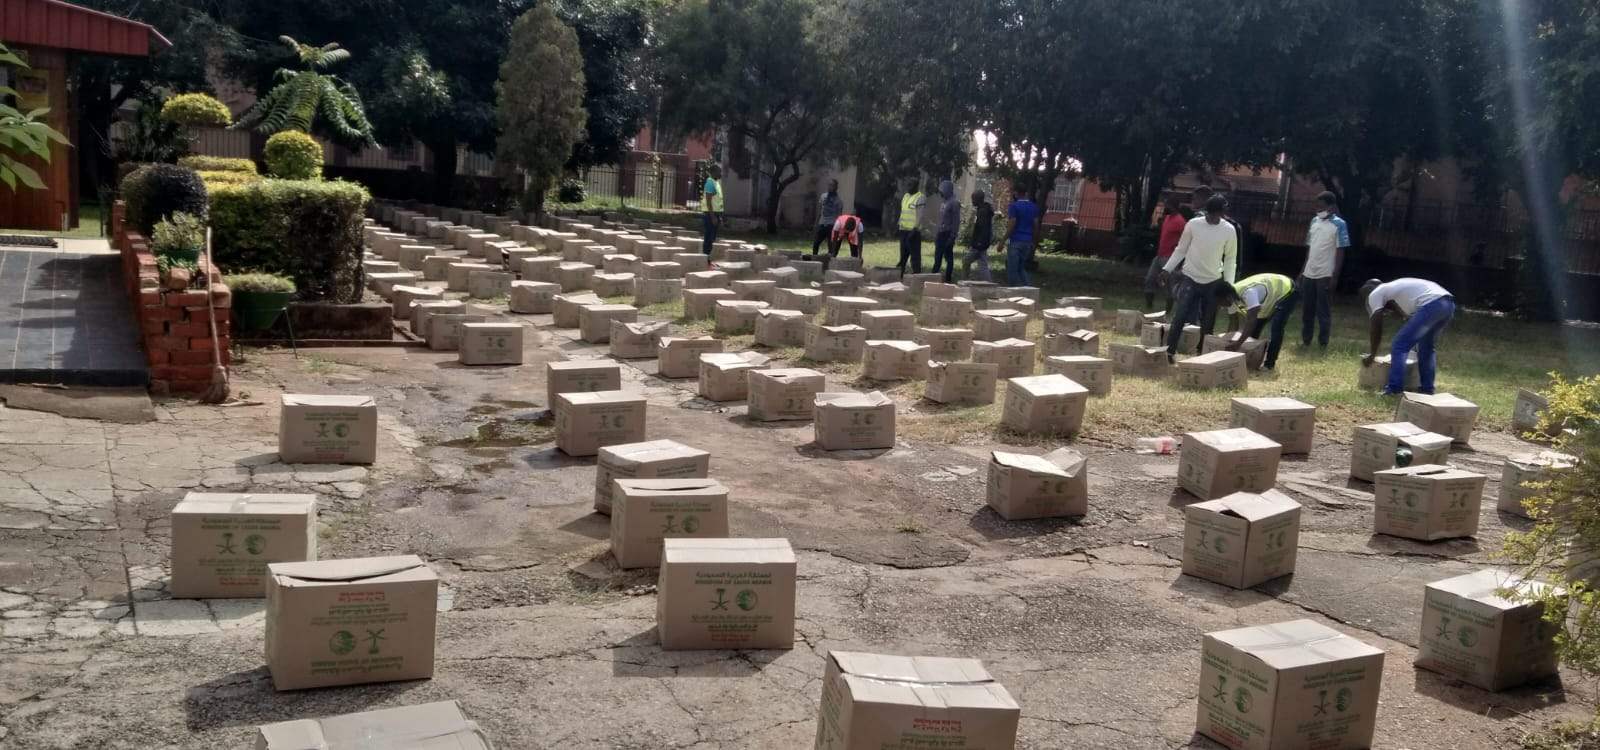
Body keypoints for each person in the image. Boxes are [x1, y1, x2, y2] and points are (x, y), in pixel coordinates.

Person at [1160, 194, 1238, 360]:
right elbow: (1181, 249)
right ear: (1207, 212)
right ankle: (1169, 352)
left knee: (1208, 322)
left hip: (1213, 281)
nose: (1215, 218)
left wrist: (1228, 285)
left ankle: (1202, 356)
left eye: (1219, 214)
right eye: (1212, 214)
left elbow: (1231, 259)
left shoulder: (1229, 230)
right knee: (1180, 316)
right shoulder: (1193, 224)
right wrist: (1167, 269)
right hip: (1190, 277)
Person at [1360, 277, 1455, 396]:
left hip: (1431, 304)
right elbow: (1406, 315)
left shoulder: (1375, 293)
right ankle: (1427, 389)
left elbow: (1376, 326)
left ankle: (1394, 390)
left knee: (1399, 345)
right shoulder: (1394, 288)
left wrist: (1373, 354)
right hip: (1447, 304)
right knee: (1426, 347)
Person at [1216, 272, 1298, 371]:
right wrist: (1228, 341)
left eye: (1220, 302)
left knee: (1276, 327)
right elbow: (1235, 322)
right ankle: (1252, 359)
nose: (1221, 306)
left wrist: (1238, 343)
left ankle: (1269, 364)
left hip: (1286, 290)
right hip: (1269, 298)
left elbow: (1251, 321)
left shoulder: (1248, 293)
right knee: (1252, 334)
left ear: (1227, 297)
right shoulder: (1232, 296)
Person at [1299, 191, 1350, 348]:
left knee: (1323, 310)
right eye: (1317, 206)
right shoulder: (1314, 221)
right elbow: (1310, 248)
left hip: (1326, 274)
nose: (1318, 209)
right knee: (1307, 309)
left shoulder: (1340, 224)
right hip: (1309, 272)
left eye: (1321, 207)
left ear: (1331, 207)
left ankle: (1323, 342)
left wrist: (1335, 276)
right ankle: (1306, 340)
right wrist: (1302, 271)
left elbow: (1341, 251)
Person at [1147, 195, 1187, 311]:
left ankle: (1168, 310)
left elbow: (1185, 239)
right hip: (1160, 255)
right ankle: (1149, 305)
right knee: (1150, 279)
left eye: (1167, 205)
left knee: (1169, 283)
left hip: (1170, 257)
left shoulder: (1180, 221)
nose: (1165, 208)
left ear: (1172, 206)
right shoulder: (1167, 218)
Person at [1005, 187, 1040, 285]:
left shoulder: (1014, 206)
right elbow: (1036, 225)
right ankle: (1027, 288)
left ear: (1016, 193)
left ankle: (1012, 290)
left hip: (1015, 241)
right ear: (1026, 193)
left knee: (1012, 269)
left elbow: (1012, 223)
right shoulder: (1033, 207)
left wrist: (1003, 240)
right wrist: (1033, 241)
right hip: (1027, 241)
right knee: (1021, 268)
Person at [931, 179, 962, 283]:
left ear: (947, 190)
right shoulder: (944, 202)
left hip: (948, 233)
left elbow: (956, 221)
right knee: (937, 256)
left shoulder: (954, 203)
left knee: (948, 257)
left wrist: (953, 236)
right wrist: (937, 233)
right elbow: (941, 219)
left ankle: (948, 278)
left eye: (942, 191)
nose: (941, 193)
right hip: (941, 233)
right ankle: (933, 276)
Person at [896, 178, 926, 274]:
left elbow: (920, 215)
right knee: (903, 256)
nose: (908, 187)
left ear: (916, 186)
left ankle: (916, 275)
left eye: (910, 185)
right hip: (903, 230)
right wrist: (899, 224)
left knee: (915, 257)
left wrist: (915, 229)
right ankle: (900, 275)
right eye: (907, 185)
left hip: (913, 232)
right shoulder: (906, 196)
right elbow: (903, 211)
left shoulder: (920, 197)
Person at [963, 190, 994, 282]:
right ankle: (988, 283)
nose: (972, 201)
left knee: (966, 261)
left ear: (978, 199)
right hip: (982, 242)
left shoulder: (982, 212)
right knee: (983, 265)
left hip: (979, 243)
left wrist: (979, 243)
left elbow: (983, 228)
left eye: (973, 199)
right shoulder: (982, 209)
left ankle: (965, 280)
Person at [811, 178, 843, 255]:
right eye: (829, 185)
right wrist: (816, 223)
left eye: (832, 185)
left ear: (836, 187)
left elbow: (839, 217)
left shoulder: (839, 201)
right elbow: (819, 211)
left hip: (832, 225)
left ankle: (830, 259)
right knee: (816, 243)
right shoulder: (823, 196)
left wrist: (838, 229)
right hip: (822, 224)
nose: (830, 187)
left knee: (831, 246)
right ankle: (814, 257)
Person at [701, 164, 723, 255]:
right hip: (710, 214)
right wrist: (713, 217)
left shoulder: (716, 183)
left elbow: (717, 200)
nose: (721, 174)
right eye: (719, 172)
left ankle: (708, 257)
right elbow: (708, 201)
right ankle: (705, 257)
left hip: (716, 213)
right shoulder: (710, 183)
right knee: (709, 237)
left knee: (712, 237)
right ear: (713, 172)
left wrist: (719, 216)